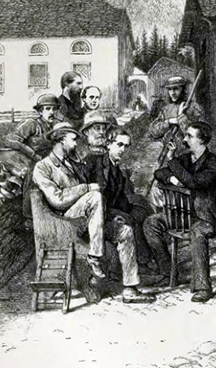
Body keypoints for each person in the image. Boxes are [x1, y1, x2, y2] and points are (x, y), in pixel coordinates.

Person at [32, 122, 154, 303]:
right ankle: (95, 256)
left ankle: (130, 288)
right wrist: (87, 187)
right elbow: (57, 199)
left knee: (125, 231)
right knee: (95, 196)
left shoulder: (72, 164)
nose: (76, 144)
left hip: (88, 218)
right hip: (65, 220)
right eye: (73, 140)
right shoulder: (43, 167)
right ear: (60, 140)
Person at [144, 122, 216, 303]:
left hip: (204, 217)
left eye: (189, 136)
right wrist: (172, 177)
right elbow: (159, 173)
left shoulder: (213, 163)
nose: (184, 139)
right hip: (181, 215)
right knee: (151, 223)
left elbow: (194, 182)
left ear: (202, 141)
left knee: (197, 232)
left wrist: (172, 162)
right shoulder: (186, 159)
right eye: (185, 135)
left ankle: (203, 286)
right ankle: (168, 272)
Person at [82, 126, 153, 271]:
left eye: (126, 146)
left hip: (113, 208)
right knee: (130, 218)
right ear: (108, 144)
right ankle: (141, 264)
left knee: (143, 212)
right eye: (119, 145)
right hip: (97, 213)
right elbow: (84, 190)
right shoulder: (93, 162)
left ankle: (145, 260)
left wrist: (134, 209)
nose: (123, 150)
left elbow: (120, 198)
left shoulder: (117, 169)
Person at [0, 94, 58, 175]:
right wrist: (34, 155)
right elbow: (10, 140)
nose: (52, 112)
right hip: (14, 158)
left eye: (55, 109)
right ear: (40, 111)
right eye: (48, 109)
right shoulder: (32, 124)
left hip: (37, 161)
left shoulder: (55, 128)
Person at [148, 76, 205, 158]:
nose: (172, 93)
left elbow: (199, 135)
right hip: (168, 154)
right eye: (170, 89)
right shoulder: (166, 109)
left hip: (189, 155)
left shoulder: (195, 108)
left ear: (184, 89)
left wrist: (181, 117)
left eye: (176, 89)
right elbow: (154, 131)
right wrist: (169, 121)